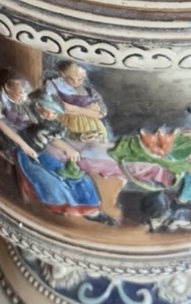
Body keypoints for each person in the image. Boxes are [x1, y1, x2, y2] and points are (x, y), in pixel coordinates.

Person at [9, 90, 113, 222]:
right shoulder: (30, 120)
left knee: (76, 175)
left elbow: (63, 133)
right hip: (30, 154)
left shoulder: (52, 121)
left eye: (54, 113)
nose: (51, 115)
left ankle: (91, 210)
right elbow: (49, 138)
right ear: (38, 107)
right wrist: (67, 148)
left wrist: (82, 136)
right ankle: (61, 208)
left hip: (45, 152)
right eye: (48, 112)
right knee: (53, 180)